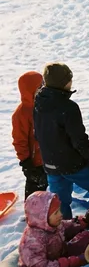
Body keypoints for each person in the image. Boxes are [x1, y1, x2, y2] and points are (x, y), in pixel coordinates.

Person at [34, 63, 89, 220]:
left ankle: (62, 229)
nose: (71, 82)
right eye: (69, 79)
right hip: (71, 163)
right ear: (63, 82)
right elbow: (79, 139)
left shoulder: (39, 101)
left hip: (50, 163)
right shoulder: (68, 107)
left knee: (59, 202)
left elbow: (38, 133)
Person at [18, 192, 89, 267]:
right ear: (43, 217)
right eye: (56, 213)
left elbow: (66, 226)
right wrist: (71, 262)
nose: (61, 214)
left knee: (87, 237)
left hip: (59, 253)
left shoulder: (52, 224)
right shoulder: (33, 241)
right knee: (82, 259)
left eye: (59, 210)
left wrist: (82, 222)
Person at [12, 71, 47, 199]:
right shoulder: (21, 114)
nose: (42, 89)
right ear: (29, 90)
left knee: (51, 190)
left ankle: (51, 213)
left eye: (43, 85)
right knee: (35, 192)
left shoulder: (44, 105)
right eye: (39, 87)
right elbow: (19, 141)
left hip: (49, 157)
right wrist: (26, 163)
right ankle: (32, 214)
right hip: (34, 163)